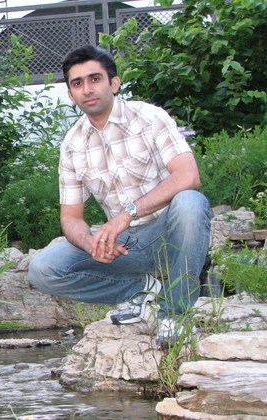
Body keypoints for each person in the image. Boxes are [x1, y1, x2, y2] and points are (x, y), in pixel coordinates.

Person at [27, 45, 211, 348]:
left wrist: (126, 214)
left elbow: (188, 176)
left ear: (114, 83)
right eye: (77, 83)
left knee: (191, 202)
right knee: (43, 269)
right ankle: (140, 290)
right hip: (124, 248)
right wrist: (91, 244)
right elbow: (71, 218)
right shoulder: (72, 144)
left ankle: (175, 315)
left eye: (95, 79)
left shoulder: (149, 118)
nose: (87, 89)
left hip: (169, 233)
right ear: (71, 95)